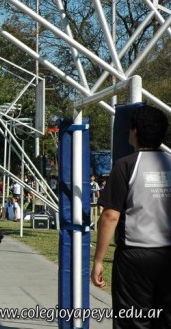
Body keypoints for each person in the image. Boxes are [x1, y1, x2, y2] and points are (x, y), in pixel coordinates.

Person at [92, 106, 171, 328]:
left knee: (133, 322)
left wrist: (98, 260)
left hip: (135, 257)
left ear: (134, 132)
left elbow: (110, 216)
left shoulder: (125, 165)